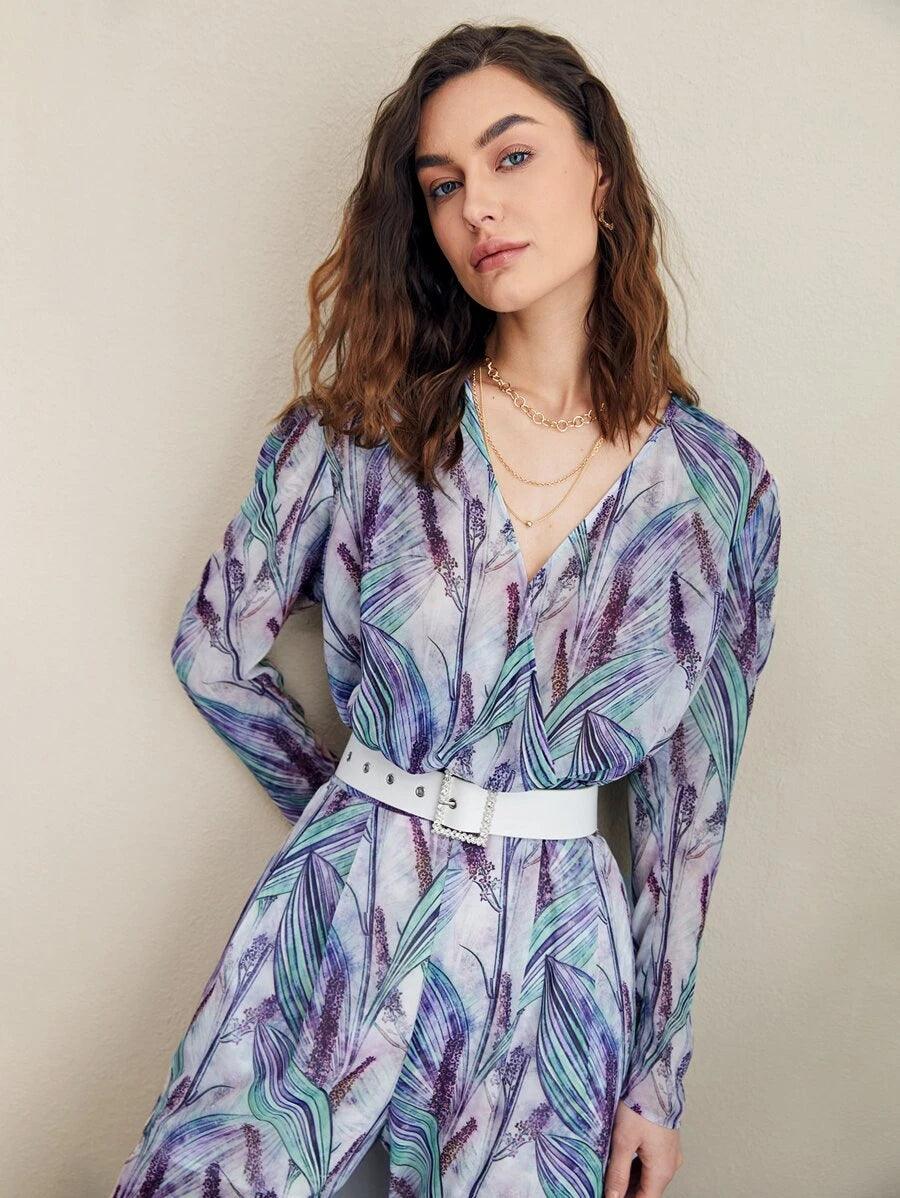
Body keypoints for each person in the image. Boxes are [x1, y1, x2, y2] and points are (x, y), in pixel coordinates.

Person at [110, 21, 782, 1198]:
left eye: (512, 156)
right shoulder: (357, 435)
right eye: (442, 184)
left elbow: (689, 810)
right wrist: (358, 813)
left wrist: (657, 1080)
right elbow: (212, 650)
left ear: (600, 173)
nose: (478, 205)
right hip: (340, 921)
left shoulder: (720, 491)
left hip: (554, 973)